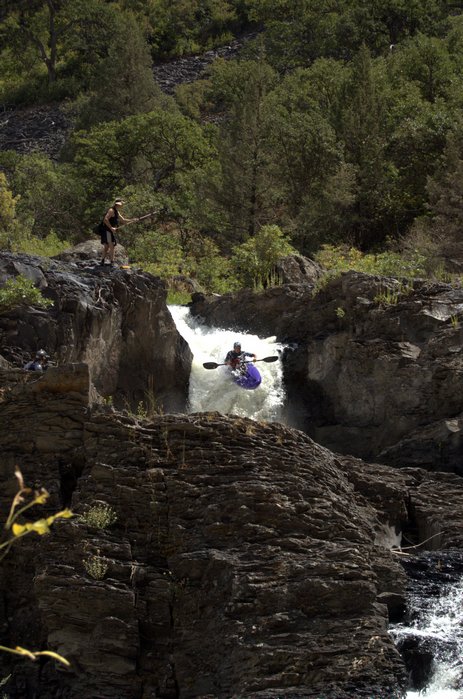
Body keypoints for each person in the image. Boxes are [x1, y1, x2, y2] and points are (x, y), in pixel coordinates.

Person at [99, 198, 136, 266]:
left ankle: (102, 261)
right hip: (106, 230)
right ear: (117, 205)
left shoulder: (116, 211)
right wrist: (111, 228)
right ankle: (112, 262)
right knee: (111, 246)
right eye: (121, 205)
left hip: (109, 230)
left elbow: (123, 220)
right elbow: (105, 219)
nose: (121, 206)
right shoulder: (111, 210)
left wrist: (132, 220)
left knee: (107, 246)